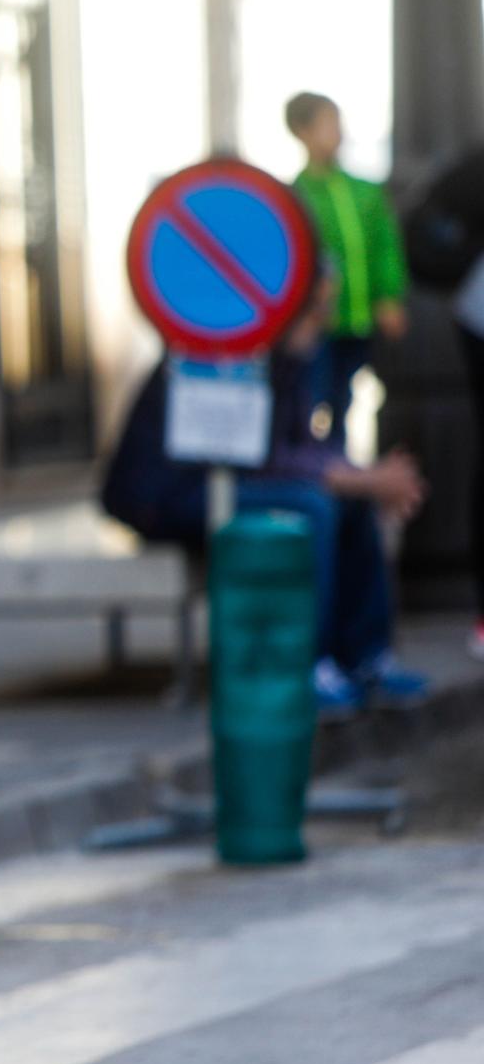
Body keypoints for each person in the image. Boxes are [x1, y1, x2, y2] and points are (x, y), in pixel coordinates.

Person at [101, 267, 429, 713]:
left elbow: (302, 445)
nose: (326, 313)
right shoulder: (245, 345)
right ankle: (309, 664)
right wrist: (365, 480)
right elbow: (265, 459)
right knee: (311, 509)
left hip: (222, 482)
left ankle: (367, 659)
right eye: (319, 302)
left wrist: (364, 478)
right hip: (167, 494)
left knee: (347, 505)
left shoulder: (294, 352)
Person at [286, 92, 410, 447]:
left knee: (347, 401)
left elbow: (385, 247)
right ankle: (316, 467)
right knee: (313, 399)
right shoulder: (296, 196)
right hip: (318, 326)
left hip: (361, 320)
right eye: (327, 124)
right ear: (302, 132)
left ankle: (342, 466)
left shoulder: (364, 192)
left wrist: (389, 296)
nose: (337, 133)